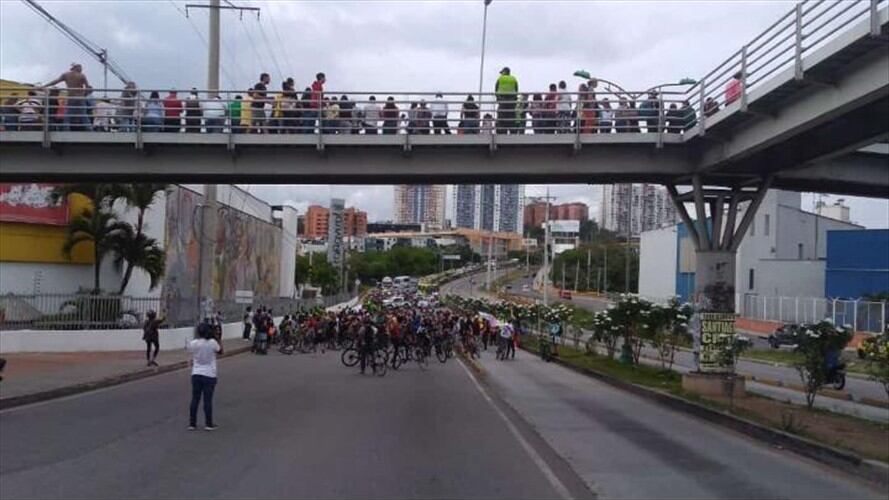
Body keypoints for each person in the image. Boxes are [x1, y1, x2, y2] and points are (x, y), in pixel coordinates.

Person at [187, 319, 222, 431]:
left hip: (196, 373)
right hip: (209, 374)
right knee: (207, 400)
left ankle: (192, 423)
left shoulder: (194, 343)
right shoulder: (212, 343)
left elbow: (189, 350)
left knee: (195, 399)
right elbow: (220, 351)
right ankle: (208, 423)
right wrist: (217, 337)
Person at [42, 63, 90, 131]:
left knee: (68, 114)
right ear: (77, 68)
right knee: (83, 114)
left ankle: (66, 129)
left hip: (71, 96)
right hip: (80, 97)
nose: (81, 69)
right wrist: (85, 94)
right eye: (80, 68)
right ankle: (89, 129)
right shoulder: (82, 75)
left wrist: (44, 86)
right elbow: (88, 87)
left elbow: (55, 81)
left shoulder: (66, 74)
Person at [494, 67, 518, 134]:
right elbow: (516, 90)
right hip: (511, 102)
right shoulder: (514, 79)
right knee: (512, 119)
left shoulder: (500, 79)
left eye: (502, 72)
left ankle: (502, 134)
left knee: (501, 120)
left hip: (502, 102)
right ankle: (513, 135)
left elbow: (496, 91)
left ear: (504, 72)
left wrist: (498, 99)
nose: (501, 74)